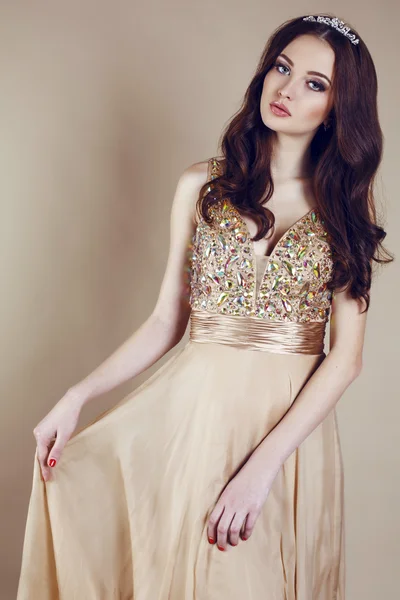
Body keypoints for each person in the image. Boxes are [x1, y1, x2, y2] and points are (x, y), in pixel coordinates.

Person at [17, 13, 393, 600]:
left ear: (339, 109)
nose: (287, 89)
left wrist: (262, 468)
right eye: (282, 67)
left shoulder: (347, 207)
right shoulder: (203, 187)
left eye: (315, 84)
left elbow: (345, 359)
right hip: (192, 427)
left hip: (286, 443)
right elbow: (169, 319)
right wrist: (76, 397)